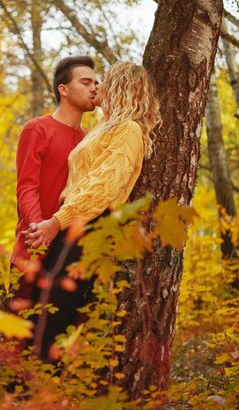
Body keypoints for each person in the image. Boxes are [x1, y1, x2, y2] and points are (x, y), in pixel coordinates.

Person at [25, 61, 162, 360]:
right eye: (90, 82)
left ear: (120, 87)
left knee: (49, 321)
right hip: (77, 224)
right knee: (41, 313)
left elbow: (102, 188)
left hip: (88, 225)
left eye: (103, 82)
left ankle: (32, 397)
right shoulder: (106, 129)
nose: (96, 87)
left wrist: (56, 222)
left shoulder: (128, 130)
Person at [11, 56, 98, 305]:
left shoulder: (91, 139)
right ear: (64, 89)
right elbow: (27, 187)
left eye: (96, 82)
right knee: (21, 334)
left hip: (73, 253)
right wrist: (40, 231)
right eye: (86, 82)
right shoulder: (37, 128)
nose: (94, 88)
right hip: (34, 245)